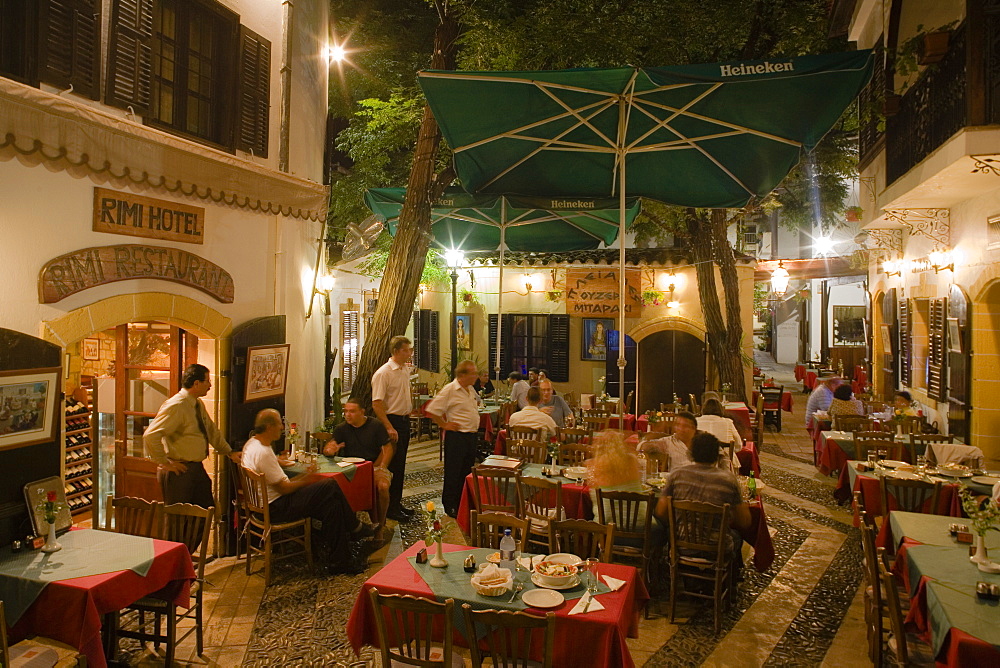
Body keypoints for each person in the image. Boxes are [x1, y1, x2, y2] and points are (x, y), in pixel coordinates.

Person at [242, 409, 373, 574]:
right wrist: (307, 478)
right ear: (269, 426)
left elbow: (269, 465)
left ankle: (340, 560)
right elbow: (284, 488)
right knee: (329, 485)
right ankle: (354, 528)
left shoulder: (253, 443)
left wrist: (280, 462)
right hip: (276, 507)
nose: (282, 427)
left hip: (264, 505)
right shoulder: (263, 453)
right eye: (279, 424)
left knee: (332, 505)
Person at [143, 364, 240, 507]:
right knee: (178, 521)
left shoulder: (196, 403)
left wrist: (229, 452)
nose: (210, 385)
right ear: (196, 383)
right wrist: (164, 462)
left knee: (205, 511)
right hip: (180, 471)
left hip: (195, 468)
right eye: (207, 381)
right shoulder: (177, 405)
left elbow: (211, 430)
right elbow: (150, 435)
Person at [654, 432, 752, 570]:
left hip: (682, 544)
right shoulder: (728, 480)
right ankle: (728, 582)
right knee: (737, 537)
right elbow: (744, 521)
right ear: (716, 455)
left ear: (691, 453)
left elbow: (660, 512)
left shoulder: (676, 476)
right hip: (717, 548)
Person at [324, 399, 393, 538]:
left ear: (362, 412)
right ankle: (349, 526)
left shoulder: (375, 426)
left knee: (382, 487)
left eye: (352, 411)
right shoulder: (341, 428)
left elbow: (388, 448)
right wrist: (329, 450)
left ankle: (380, 525)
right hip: (351, 470)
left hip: (374, 466)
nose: (348, 415)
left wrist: (382, 466)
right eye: (346, 411)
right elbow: (329, 447)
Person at [426, 360, 481, 517]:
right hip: (457, 437)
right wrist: (444, 424)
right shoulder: (450, 389)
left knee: (465, 470)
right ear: (463, 374)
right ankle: (450, 504)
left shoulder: (470, 389)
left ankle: (462, 502)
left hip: (470, 436)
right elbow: (432, 409)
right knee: (453, 472)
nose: (476, 376)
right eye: (473, 373)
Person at [370, 335, 416, 522]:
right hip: (392, 422)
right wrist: (389, 427)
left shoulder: (404, 369)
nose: (410, 353)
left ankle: (396, 503)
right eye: (406, 350)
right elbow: (377, 403)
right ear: (397, 351)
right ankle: (389, 508)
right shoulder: (384, 373)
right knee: (393, 465)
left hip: (403, 421)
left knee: (401, 465)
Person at [696, 398, 743, 471]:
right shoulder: (728, 423)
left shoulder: (696, 421)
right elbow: (738, 444)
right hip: (725, 466)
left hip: (699, 463)